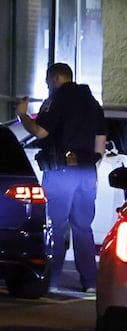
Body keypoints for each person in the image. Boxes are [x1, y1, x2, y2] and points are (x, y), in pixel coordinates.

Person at [16, 62, 107, 292]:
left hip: (61, 171)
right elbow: (100, 145)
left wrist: (22, 115)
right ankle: (90, 282)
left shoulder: (56, 100)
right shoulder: (93, 102)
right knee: (83, 227)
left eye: (48, 82)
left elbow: (39, 131)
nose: (48, 86)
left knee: (55, 227)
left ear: (56, 78)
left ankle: (52, 280)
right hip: (87, 173)